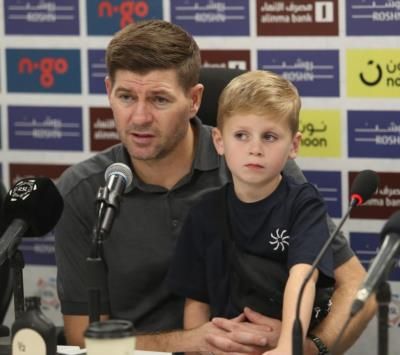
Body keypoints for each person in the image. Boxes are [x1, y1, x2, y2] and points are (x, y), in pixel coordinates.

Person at [54, 19, 376, 354]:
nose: (139, 117)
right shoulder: (81, 192)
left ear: (194, 100)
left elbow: (356, 286)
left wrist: (307, 349)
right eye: (125, 97)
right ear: (108, 92)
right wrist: (190, 342)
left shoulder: (252, 165)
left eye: (159, 100)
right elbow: (84, 337)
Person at [167, 70, 335, 354]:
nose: (255, 149)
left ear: (293, 146)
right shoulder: (203, 212)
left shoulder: (304, 204)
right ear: (219, 142)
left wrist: (287, 347)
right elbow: (196, 301)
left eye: (269, 137)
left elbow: (303, 278)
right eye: (241, 135)